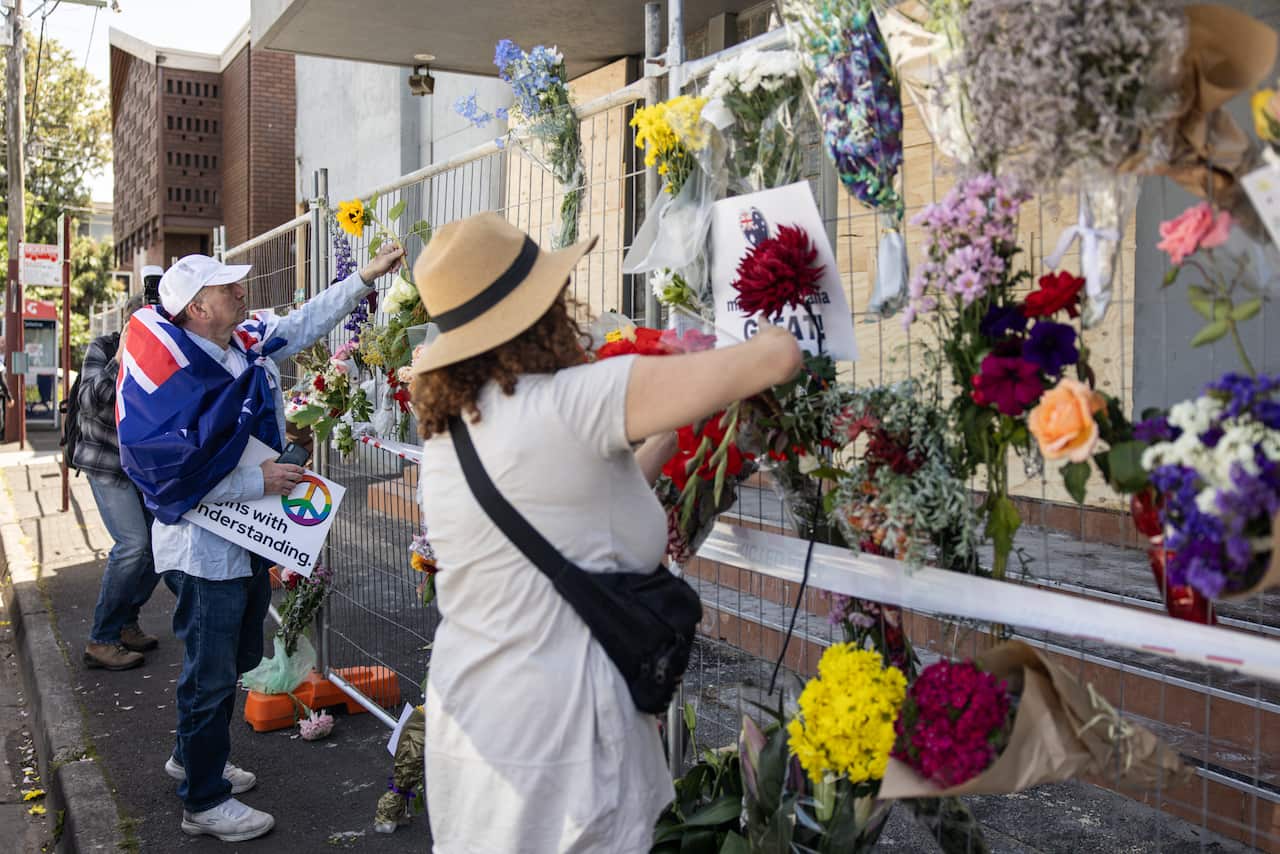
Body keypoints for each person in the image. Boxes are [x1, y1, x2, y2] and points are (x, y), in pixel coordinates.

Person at [407, 212, 802, 853]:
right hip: (560, 741)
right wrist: (769, 312)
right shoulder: (572, 401)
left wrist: (662, 443)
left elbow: (570, 518)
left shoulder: (455, 431)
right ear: (539, 314)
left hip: (477, 720)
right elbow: (775, 358)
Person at [117, 245, 403, 843]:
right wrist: (257, 480)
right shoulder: (172, 380)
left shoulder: (236, 343)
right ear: (197, 308)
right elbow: (172, 474)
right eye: (228, 289)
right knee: (211, 672)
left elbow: (300, 324)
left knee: (230, 661)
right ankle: (203, 800)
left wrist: (362, 279)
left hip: (241, 539)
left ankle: (192, 757)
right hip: (203, 551)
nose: (242, 293)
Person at [77, 294, 161, 671]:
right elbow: (93, 401)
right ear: (127, 323)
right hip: (107, 463)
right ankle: (102, 638)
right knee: (133, 545)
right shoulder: (104, 348)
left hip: (142, 468)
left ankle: (125, 621)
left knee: (160, 548)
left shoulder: (163, 352)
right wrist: (123, 354)